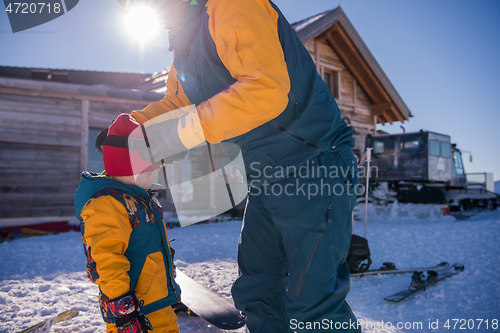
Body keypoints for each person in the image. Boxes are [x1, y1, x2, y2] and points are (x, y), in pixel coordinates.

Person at [117, 0, 361, 332]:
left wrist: (182, 132)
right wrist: (135, 127)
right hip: (266, 178)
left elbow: (265, 88)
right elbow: (178, 102)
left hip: (315, 164)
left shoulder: (231, 5)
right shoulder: (186, 42)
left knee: (313, 304)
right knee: (259, 289)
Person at [75, 114, 180, 333]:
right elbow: (107, 261)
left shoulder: (140, 198)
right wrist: (125, 312)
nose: (155, 177)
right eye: (150, 172)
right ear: (127, 169)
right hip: (135, 314)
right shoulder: (107, 204)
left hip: (157, 302)